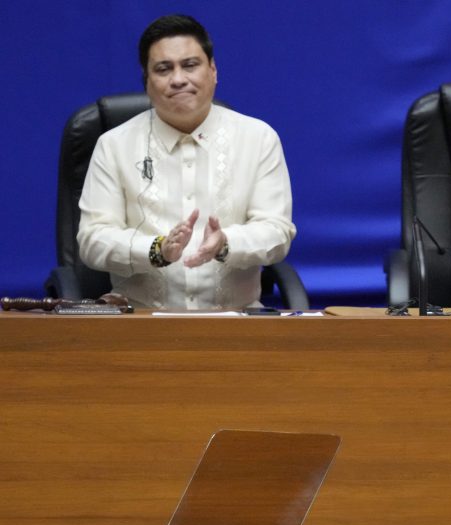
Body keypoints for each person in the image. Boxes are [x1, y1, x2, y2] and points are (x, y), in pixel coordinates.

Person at [77, 14, 296, 309]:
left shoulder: (258, 139)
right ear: (147, 81)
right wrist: (156, 250)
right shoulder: (114, 145)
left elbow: (277, 231)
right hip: (141, 324)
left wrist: (226, 242)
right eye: (164, 69)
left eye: (190, 65)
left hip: (236, 324)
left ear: (213, 70)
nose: (178, 79)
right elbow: (93, 239)